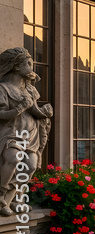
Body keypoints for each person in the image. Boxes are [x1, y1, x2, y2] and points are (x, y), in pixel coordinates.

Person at [0, 47, 52, 216]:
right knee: (14, 159)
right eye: (28, 62)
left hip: (30, 135)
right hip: (11, 132)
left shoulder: (30, 89)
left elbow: (35, 110)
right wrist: (19, 108)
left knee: (29, 165)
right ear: (16, 67)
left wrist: (45, 111)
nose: (32, 65)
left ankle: (13, 198)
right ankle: (1, 196)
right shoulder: (4, 88)